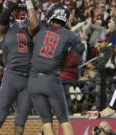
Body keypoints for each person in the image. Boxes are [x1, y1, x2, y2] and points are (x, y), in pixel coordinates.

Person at [27, 2, 84, 135]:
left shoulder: (40, 26)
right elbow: (80, 49)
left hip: (33, 81)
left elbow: (33, 23)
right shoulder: (70, 35)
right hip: (51, 81)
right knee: (64, 121)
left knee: (46, 123)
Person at [0, 0, 38, 135]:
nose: (21, 12)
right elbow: (1, 25)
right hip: (11, 75)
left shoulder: (29, 25)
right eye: (18, 9)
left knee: (20, 122)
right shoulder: (4, 27)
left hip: (28, 78)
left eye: (23, 9)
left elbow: (34, 27)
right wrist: (9, 7)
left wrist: (29, 3)